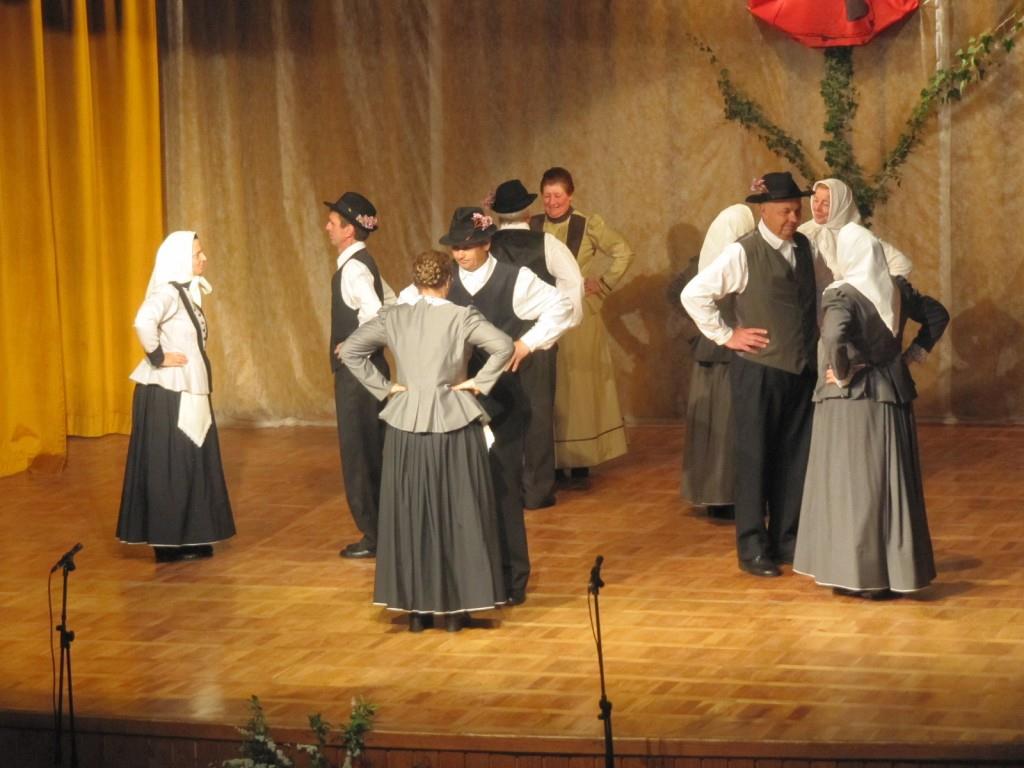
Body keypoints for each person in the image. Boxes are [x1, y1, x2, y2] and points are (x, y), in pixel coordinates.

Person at [341, 251, 513, 632]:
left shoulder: (394, 317)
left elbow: (350, 351)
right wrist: (478, 383)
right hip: (454, 424)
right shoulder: (462, 316)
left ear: (416, 282)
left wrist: (385, 388)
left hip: (406, 427)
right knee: (459, 513)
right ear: (448, 281)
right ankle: (456, 611)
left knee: (410, 514)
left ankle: (416, 612)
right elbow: (503, 345)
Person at [794, 223, 949, 598]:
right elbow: (938, 315)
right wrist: (914, 353)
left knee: (852, 485)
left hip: (852, 403)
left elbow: (834, 336)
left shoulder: (841, 295)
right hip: (891, 396)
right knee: (887, 484)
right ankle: (889, 573)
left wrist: (842, 373)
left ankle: (856, 574)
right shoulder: (896, 289)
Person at [681, 172, 818, 578]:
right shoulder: (743, 252)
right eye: (785, 211)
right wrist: (727, 335)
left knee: (794, 458)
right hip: (759, 370)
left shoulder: (804, 248)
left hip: (800, 369)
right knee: (755, 457)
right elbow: (694, 294)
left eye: (797, 210)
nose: (793, 218)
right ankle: (753, 547)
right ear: (764, 211)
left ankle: (786, 538)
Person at [440, 206, 573, 605]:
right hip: (456, 401)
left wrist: (527, 343)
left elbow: (562, 306)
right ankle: (470, 577)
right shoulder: (445, 281)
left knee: (503, 489)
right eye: (455, 248)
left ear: (486, 243)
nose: (460, 254)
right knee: (462, 492)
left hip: (503, 400)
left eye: (467, 246)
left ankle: (512, 579)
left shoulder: (514, 279)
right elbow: (406, 311)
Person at [117, 231, 235, 562]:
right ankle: (167, 542)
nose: (203, 258)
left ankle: (190, 535)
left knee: (189, 462)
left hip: (186, 391)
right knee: (171, 464)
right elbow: (143, 321)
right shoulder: (168, 292)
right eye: (197, 254)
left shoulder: (184, 292)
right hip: (169, 393)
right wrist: (158, 357)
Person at [530, 167, 633, 490]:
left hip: (578, 318)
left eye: (558, 195)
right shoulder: (533, 225)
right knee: (549, 385)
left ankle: (579, 457)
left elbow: (623, 251)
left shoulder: (587, 224)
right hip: (544, 314)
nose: (552, 202)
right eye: (547, 196)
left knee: (577, 386)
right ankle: (552, 457)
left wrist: (602, 283)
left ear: (570, 195)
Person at [488, 178, 584, 509]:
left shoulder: (484, 247)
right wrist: (562, 326)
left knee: (498, 412)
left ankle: (503, 488)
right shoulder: (547, 243)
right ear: (527, 212)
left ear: (497, 214)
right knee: (538, 413)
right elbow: (573, 285)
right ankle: (537, 489)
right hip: (538, 339)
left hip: (493, 339)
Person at [324, 191, 396, 560]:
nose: (327, 228)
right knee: (372, 449)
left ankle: (374, 533)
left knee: (359, 452)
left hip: (358, 377)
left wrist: (353, 344)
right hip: (370, 372)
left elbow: (375, 312)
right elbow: (391, 302)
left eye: (333, 223)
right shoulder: (362, 264)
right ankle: (384, 528)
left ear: (349, 230)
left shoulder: (353, 268)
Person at [679, 204, 756, 520]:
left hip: (710, 355)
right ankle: (726, 494)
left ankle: (713, 493)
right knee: (726, 427)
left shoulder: (704, 264)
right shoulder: (733, 265)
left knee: (712, 429)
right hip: (727, 356)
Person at [798, 177, 913, 293]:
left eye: (826, 204)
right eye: (815, 200)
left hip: (847, 302)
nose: (817, 208)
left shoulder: (856, 235)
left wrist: (878, 294)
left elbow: (901, 264)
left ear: (840, 207)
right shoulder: (804, 233)